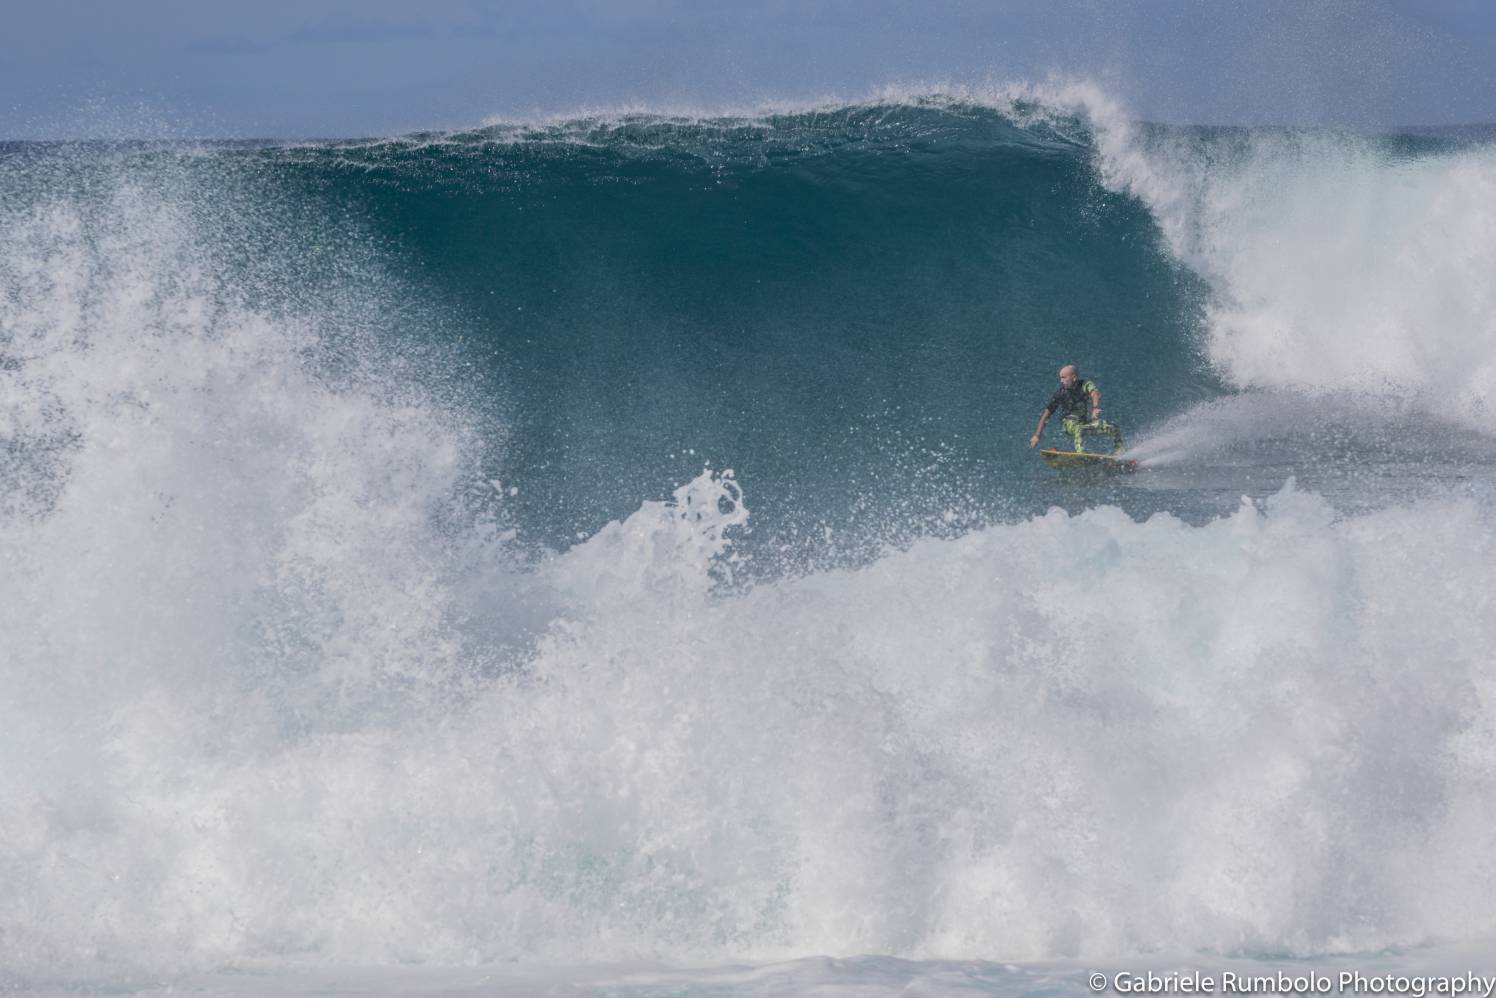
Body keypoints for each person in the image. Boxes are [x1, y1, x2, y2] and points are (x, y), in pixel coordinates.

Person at [1029, 365, 1124, 454]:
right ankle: (1081, 454)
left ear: (1074, 378)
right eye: (1060, 378)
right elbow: (1045, 416)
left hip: (1085, 423)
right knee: (1079, 429)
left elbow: (1094, 393)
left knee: (1112, 427)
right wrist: (1037, 435)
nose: (1061, 381)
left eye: (1063, 377)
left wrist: (1095, 408)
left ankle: (1120, 452)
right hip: (1069, 424)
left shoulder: (1085, 385)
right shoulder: (1060, 394)